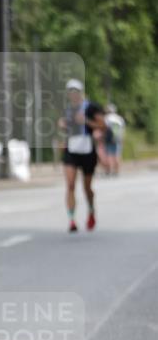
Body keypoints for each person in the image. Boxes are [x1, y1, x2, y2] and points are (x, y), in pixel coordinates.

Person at [57, 79, 107, 233]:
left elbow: (103, 126)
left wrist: (86, 121)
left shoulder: (91, 107)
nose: (73, 94)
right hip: (71, 149)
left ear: (80, 92)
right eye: (70, 91)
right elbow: (61, 126)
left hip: (87, 149)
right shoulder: (66, 109)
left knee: (87, 187)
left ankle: (91, 210)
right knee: (70, 185)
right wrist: (61, 126)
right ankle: (71, 220)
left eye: (75, 91)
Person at [104, 103, 125, 175]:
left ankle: (109, 170)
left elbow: (104, 128)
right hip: (118, 138)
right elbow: (122, 129)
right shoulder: (119, 118)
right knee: (117, 155)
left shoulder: (106, 118)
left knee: (109, 154)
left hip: (109, 138)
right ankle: (117, 171)